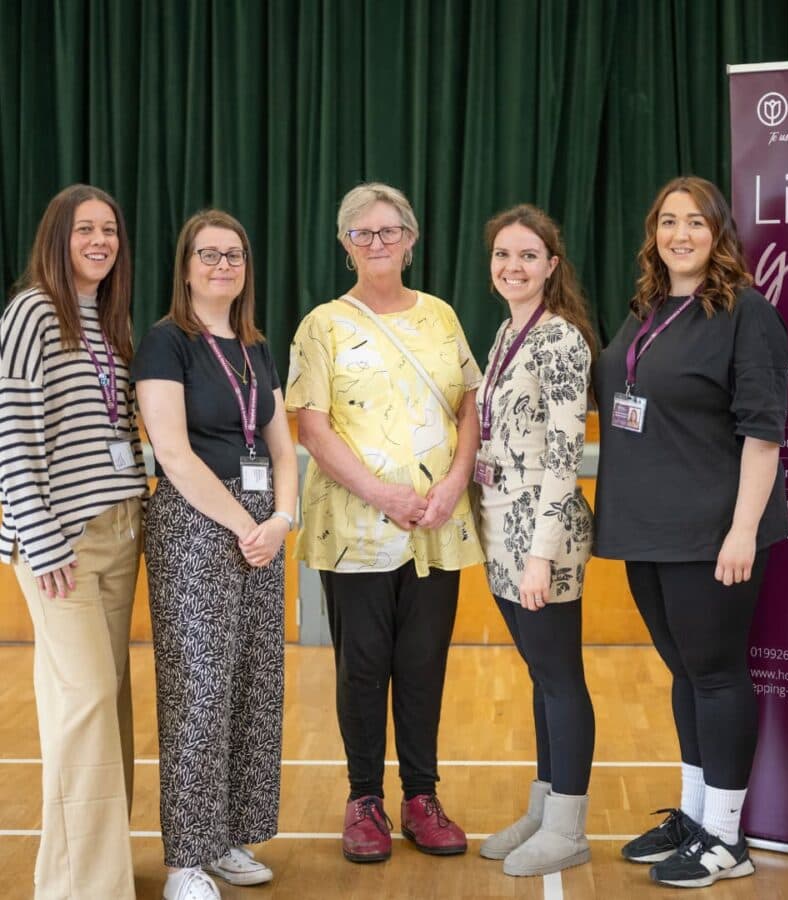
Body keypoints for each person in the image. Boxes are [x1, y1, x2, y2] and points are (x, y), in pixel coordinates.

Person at [594, 175, 788, 888]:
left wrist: (742, 531)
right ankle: (695, 815)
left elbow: (763, 435)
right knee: (686, 673)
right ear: (654, 233)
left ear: (719, 235)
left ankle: (727, 841)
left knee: (716, 673)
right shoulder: (648, 309)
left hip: (712, 531)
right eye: (668, 221)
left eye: (696, 223)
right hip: (647, 526)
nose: (681, 234)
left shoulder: (747, 313)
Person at [286, 183, 483, 863]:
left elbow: (468, 406)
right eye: (363, 233)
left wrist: (455, 481)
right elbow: (311, 424)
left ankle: (421, 796)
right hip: (355, 526)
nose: (378, 243)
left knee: (424, 666)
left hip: (436, 523)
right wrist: (382, 494)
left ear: (412, 237)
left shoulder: (442, 317)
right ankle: (364, 797)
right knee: (362, 669)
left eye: (389, 231)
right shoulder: (322, 325)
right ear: (345, 245)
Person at [133, 210, 297, 900]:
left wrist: (282, 518)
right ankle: (185, 863)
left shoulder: (256, 345)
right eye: (209, 254)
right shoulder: (166, 343)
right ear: (187, 265)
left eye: (233, 255)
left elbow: (282, 447)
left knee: (252, 687)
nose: (223, 265)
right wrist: (242, 523)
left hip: (261, 528)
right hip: (197, 524)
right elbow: (172, 452)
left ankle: (227, 836)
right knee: (198, 692)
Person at [0, 184, 146, 899]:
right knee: (86, 696)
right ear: (56, 238)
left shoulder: (108, 320)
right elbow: (12, 432)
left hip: (120, 530)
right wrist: (40, 538)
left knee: (101, 700)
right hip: (60, 544)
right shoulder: (32, 311)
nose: (99, 241)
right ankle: (84, 889)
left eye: (110, 231)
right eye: (84, 229)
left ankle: (94, 868)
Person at [474, 205, 597, 877]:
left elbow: (563, 456)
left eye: (527, 255)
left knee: (560, 679)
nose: (512, 267)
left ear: (552, 266)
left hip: (542, 542)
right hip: (502, 531)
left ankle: (568, 827)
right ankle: (544, 804)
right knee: (540, 678)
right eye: (502, 255)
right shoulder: (504, 333)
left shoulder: (561, 341)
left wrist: (540, 555)